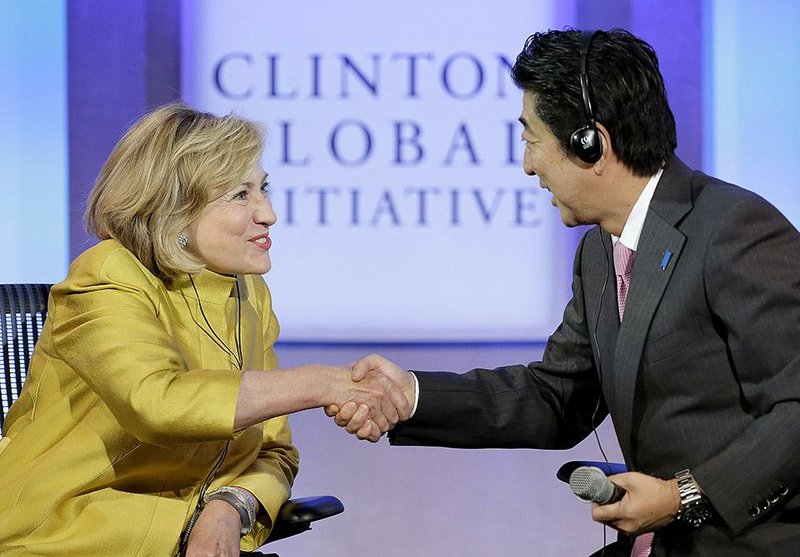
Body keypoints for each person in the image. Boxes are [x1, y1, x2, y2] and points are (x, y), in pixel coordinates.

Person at [331, 29, 800, 555]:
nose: (528, 166)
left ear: (591, 143)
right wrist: (409, 395)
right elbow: (557, 397)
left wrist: (680, 495)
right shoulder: (600, 251)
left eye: (531, 140)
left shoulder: (735, 229)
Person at [0, 104, 410, 556]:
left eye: (264, 188)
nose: (268, 213)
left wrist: (231, 505)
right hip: (68, 534)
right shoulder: (107, 275)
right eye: (240, 195)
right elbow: (157, 403)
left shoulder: (249, 292)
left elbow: (275, 451)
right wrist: (321, 383)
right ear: (172, 209)